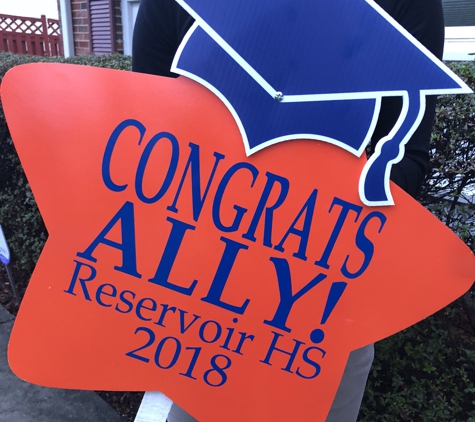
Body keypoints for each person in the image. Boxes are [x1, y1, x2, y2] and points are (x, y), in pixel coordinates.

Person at [132, 0, 445, 420]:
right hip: (201, 296)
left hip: (323, 299)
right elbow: (145, 137)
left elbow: (407, 161)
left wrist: (296, 201)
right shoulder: (174, 5)